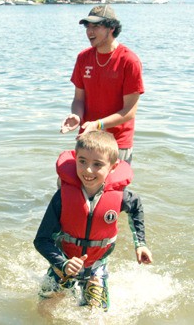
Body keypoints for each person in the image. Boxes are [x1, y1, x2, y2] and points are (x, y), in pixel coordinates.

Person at [34, 131, 152, 312]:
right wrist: (63, 263)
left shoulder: (122, 197)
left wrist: (141, 244)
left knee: (95, 315)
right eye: (82, 161)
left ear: (113, 167)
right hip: (63, 261)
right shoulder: (62, 198)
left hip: (96, 264)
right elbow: (41, 240)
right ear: (75, 160)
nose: (88, 170)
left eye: (97, 164)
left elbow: (136, 207)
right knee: (44, 309)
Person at [60, 5, 144, 164]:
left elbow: (129, 112)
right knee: (71, 185)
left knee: (114, 188)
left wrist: (98, 124)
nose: (89, 31)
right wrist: (77, 116)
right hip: (88, 138)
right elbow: (79, 99)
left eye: (96, 26)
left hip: (117, 143)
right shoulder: (83, 57)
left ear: (111, 27)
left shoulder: (129, 61)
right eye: (87, 26)